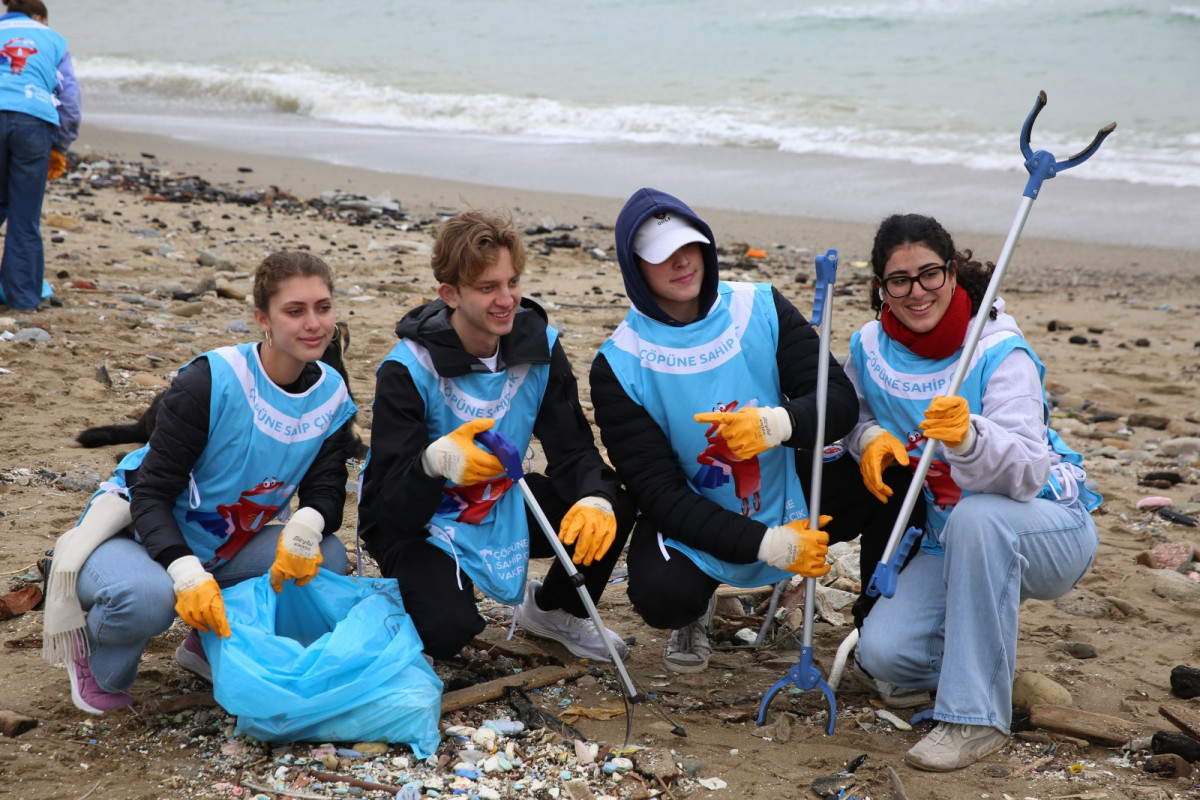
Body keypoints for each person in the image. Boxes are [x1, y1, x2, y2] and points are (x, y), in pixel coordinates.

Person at [589, 187, 905, 676]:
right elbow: (660, 494)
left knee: (890, 474)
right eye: (662, 254)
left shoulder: (759, 306)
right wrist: (771, 545)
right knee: (662, 596)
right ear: (635, 268)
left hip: (789, 486)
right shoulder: (619, 364)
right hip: (696, 509)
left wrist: (777, 423)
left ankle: (879, 620)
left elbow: (838, 401)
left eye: (690, 245)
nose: (682, 262)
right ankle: (697, 611)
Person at [43, 252, 358, 714]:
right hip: (135, 532)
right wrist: (187, 574)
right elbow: (150, 494)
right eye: (295, 311)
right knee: (147, 598)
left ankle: (205, 641)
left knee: (325, 558)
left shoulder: (330, 393)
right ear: (263, 319)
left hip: (225, 543)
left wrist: (306, 526)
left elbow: (327, 490)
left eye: (323, 308)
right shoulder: (212, 379)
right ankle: (95, 655)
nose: (314, 324)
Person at [847, 213, 1101, 771]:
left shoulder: (997, 349)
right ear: (881, 288)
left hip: (1045, 526)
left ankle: (976, 718)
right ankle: (980, 661)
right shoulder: (869, 346)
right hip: (946, 539)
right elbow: (853, 414)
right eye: (899, 280)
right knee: (885, 656)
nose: (917, 292)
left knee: (979, 518)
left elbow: (1029, 469)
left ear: (952, 272)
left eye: (929, 274)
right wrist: (867, 438)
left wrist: (969, 437)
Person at [358, 210, 636, 663]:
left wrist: (596, 498)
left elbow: (572, 449)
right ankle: (402, 604)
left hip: (499, 498)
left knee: (611, 504)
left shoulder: (538, 345)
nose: (506, 300)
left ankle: (555, 611)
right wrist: (435, 461)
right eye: (487, 288)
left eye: (512, 282)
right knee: (447, 630)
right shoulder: (407, 367)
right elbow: (388, 508)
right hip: (421, 518)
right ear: (450, 294)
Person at [0, 0, 81, 311]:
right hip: (33, 120)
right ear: (38, 17)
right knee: (25, 217)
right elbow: (70, 101)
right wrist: (60, 147)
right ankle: (22, 300)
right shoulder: (53, 40)